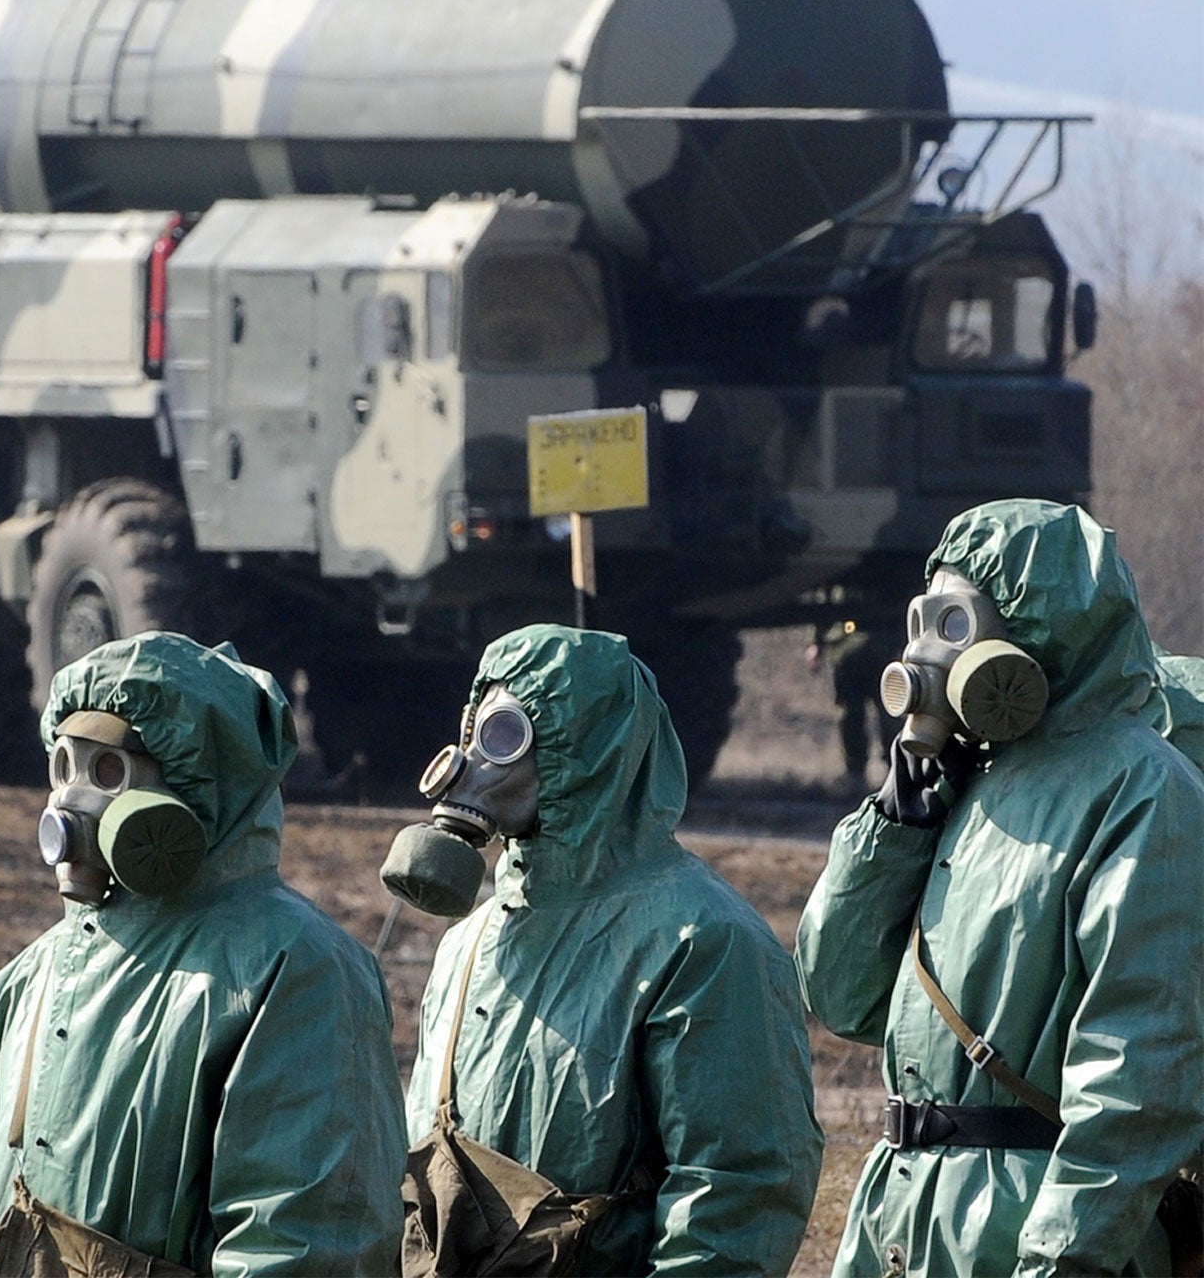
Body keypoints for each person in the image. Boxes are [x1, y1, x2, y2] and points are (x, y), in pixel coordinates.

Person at [796, 499, 1204, 1277]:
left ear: (1040, 630)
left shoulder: (1142, 788)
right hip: (898, 1221)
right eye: (922, 622)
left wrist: (1060, 1261)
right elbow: (839, 994)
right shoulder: (964, 786)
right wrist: (896, 822)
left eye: (955, 626)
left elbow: (1138, 1077)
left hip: (1026, 1229)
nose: (926, 654)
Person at [0, 632, 407, 1278]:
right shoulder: (33, 976)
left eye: (107, 772)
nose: (72, 802)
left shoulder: (296, 968)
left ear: (201, 779)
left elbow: (300, 1244)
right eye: (62, 767)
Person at [381, 623, 822, 1276]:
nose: (477, 760)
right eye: (478, 729)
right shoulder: (467, 943)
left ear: (592, 748)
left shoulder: (704, 940)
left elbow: (737, 1190)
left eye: (510, 736)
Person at [809, 614, 900, 781]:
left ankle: (894, 770)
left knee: (889, 713)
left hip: (876, 649)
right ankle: (860, 771)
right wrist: (818, 641)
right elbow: (827, 607)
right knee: (853, 716)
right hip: (852, 652)